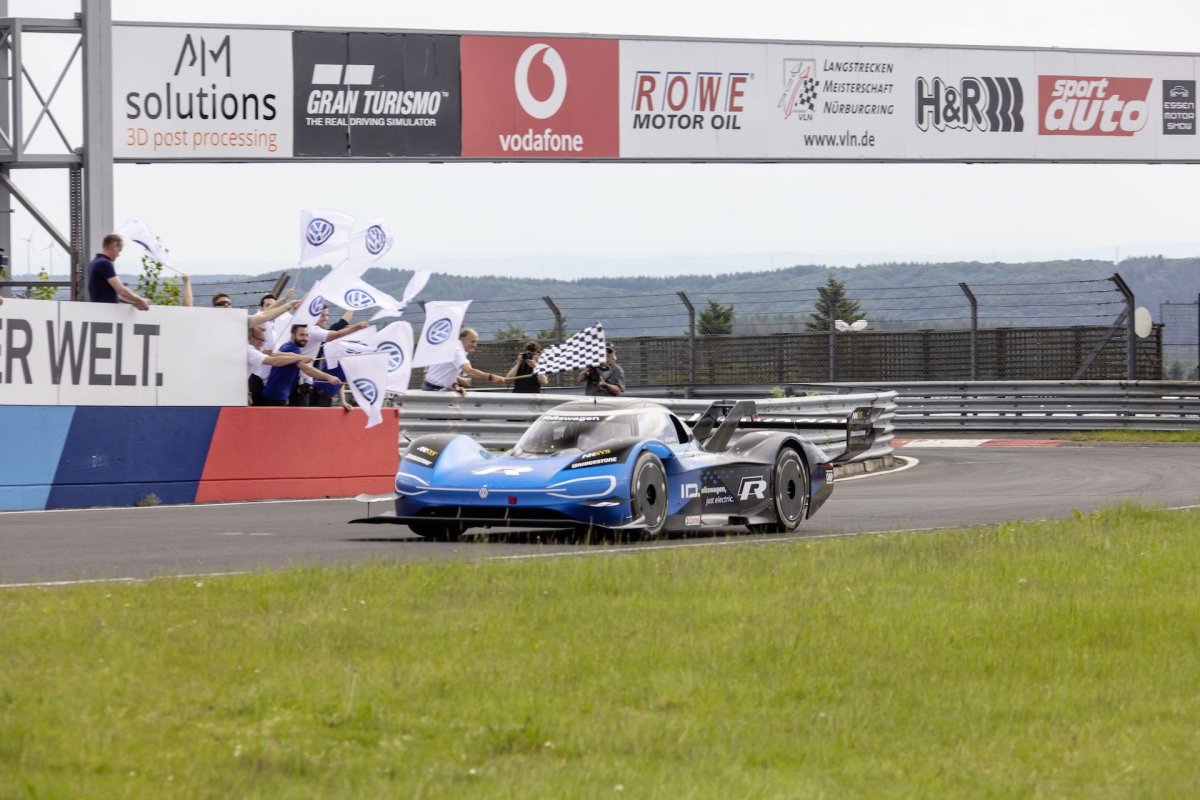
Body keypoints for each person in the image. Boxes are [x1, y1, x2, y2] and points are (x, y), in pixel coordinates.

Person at [259, 324, 344, 406]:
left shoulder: (290, 348)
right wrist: (329, 377)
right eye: (302, 335)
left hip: (278, 395)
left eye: (307, 335)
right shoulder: (291, 348)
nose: (305, 338)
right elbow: (307, 370)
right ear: (293, 335)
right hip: (276, 396)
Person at [422, 327, 504, 392]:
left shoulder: (455, 347)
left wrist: (455, 385)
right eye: (472, 341)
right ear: (462, 339)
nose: (475, 345)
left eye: (476, 342)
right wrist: (491, 377)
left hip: (434, 388)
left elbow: (447, 371)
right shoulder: (457, 350)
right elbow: (470, 371)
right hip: (434, 390)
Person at [246, 324, 311, 404]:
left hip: (272, 392)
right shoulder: (249, 350)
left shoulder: (287, 347)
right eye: (260, 340)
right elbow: (274, 361)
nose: (262, 344)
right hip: (276, 394)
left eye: (307, 335)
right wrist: (300, 357)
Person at [85, 234, 149, 309]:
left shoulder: (93, 263)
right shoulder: (104, 263)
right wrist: (141, 300)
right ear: (114, 247)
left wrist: (133, 302)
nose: (118, 255)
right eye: (119, 250)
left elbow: (106, 293)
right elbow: (121, 290)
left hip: (98, 309)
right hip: (107, 311)